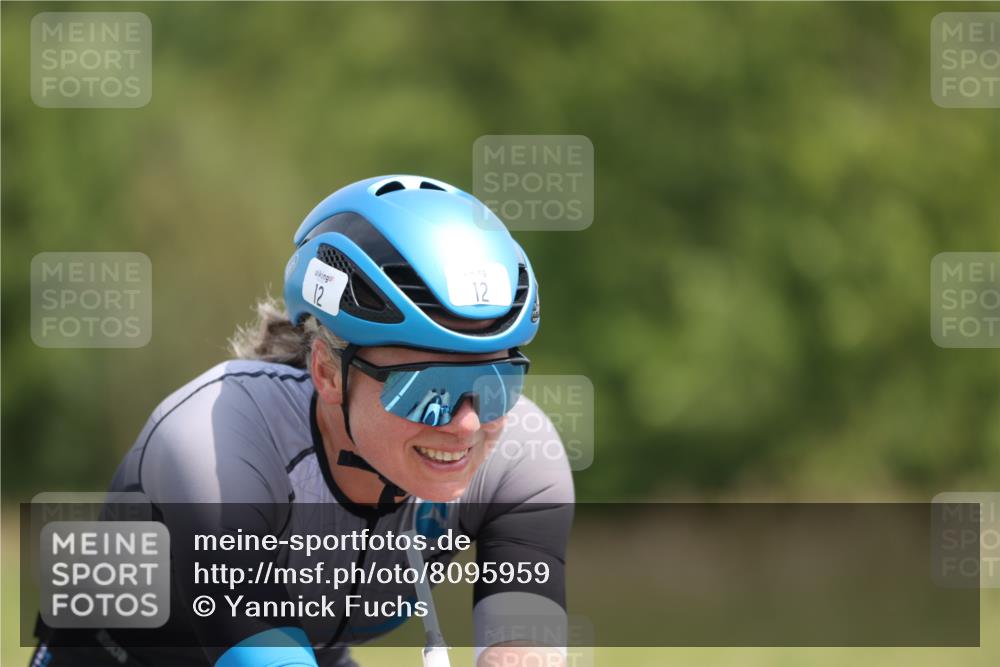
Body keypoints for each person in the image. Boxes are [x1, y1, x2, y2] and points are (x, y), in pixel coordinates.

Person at [31, 175, 574, 667]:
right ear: (327, 371)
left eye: (495, 384)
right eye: (427, 389)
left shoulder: (520, 457)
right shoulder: (216, 445)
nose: (466, 425)